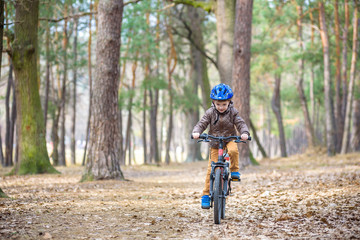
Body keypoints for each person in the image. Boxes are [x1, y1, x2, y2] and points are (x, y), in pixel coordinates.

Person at [192, 83, 250, 209]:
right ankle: (206, 195)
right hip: (214, 142)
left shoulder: (233, 112)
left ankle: (234, 171)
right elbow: (202, 123)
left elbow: (240, 123)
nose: (221, 107)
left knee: (233, 151)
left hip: (229, 138)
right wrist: (197, 132)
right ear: (213, 102)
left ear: (229, 102)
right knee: (210, 170)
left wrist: (244, 133)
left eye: (224, 104)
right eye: (218, 104)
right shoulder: (210, 112)